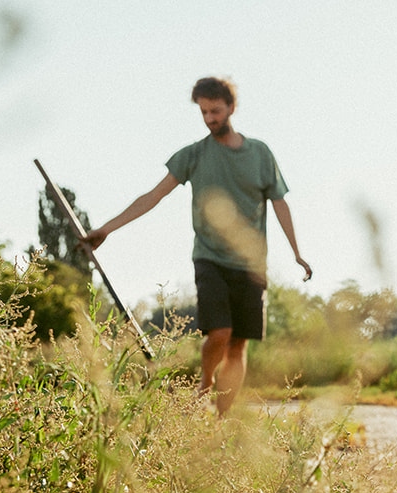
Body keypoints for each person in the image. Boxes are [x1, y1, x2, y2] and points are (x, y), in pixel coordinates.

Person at [83, 76, 312, 415]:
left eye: (215, 111)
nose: (209, 119)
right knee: (220, 332)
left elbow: (280, 203)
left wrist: (296, 253)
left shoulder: (260, 154)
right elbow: (153, 196)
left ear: (231, 108)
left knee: (238, 346)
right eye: (203, 112)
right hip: (210, 258)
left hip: (251, 264)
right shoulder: (193, 155)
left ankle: (221, 422)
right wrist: (107, 229)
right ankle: (205, 384)